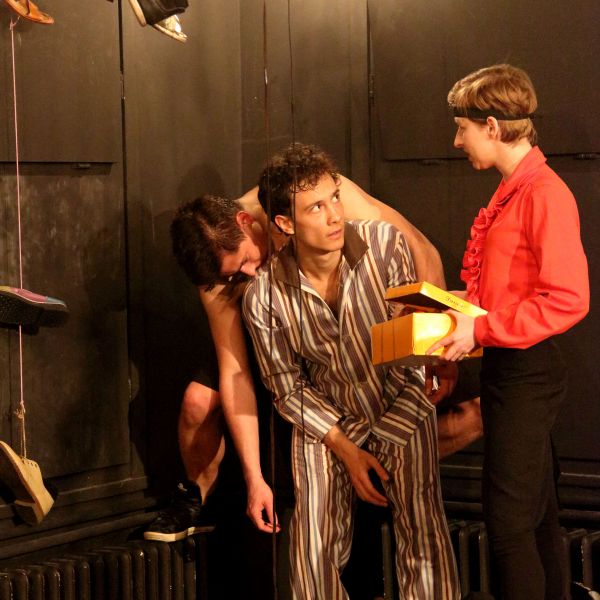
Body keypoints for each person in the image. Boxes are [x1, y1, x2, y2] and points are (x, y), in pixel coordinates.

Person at [147, 143, 477, 541]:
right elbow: (235, 371)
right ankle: (196, 499)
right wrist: (254, 479)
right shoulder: (222, 275)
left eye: (246, 262)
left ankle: (390, 464)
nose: (248, 275)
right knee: (198, 401)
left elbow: (422, 250)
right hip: (272, 332)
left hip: (344, 325)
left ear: (246, 221)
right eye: (234, 276)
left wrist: (436, 352)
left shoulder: (314, 198)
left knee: (442, 406)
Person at [241, 144, 460, 598]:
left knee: (423, 531)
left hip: (399, 397)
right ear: (285, 224)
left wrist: (402, 411)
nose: (334, 215)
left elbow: (409, 341)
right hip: (327, 419)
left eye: (335, 198)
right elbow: (288, 387)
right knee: (311, 549)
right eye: (316, 207)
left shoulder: (385, 245)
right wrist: (345, 447)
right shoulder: (264, 296)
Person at [428, 64, 590, 599]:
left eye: (462, 128)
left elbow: (568, 298)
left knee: (508, 526)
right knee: (536, 519)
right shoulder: (514, 191)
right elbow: (499, 291)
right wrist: (447, 315)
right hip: (510, 368)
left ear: (492, 126)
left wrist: (482, 328)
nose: (458, 141)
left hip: (528, 372)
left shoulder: (544, 193)